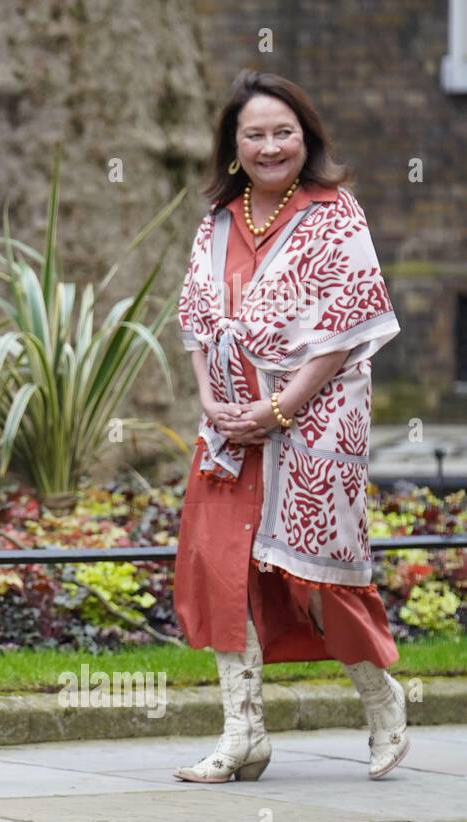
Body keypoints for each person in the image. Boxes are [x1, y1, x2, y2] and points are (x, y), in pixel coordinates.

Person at [172, 71, 407, 783]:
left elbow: (343, 331)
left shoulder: (337, 215)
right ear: (233, 146)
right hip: (229, 432)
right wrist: (215, 403)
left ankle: (382, 700)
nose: (271, 146)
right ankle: (243, 734)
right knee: (220, 570)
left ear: (306, 138)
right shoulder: (216, 220)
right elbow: (196, 322)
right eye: (256, 134)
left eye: (284, 132)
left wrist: (278, 410)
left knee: (317, 579)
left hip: (314, 422)